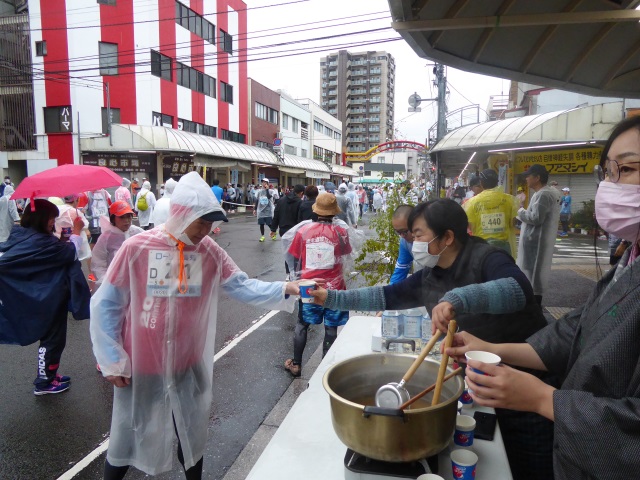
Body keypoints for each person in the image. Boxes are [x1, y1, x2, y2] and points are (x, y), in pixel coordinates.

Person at [442, 115, 640, 480]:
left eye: (626, 169)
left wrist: (541, 398)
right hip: (576, 456)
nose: (611, 187)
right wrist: (494, 348)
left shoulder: (488, 253)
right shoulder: (629, 258)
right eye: (608, 173)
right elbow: (575, 329)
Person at [309, 199, 553, 480]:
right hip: (484, 387)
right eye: (410, 235)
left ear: (447, 237)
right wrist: (330, 297)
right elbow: (385, 296)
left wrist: (456, 299)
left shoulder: (488, 258)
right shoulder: (430, 276)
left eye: (418, 234)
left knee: (531, 469)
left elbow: (518, 289)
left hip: (528, 389)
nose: (413, 242)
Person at [90, 171, 303, 479]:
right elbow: (107, 304)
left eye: (211, 223)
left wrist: (287, 288)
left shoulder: (208, 252)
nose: (207, 230)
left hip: (187, 362)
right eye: (201, 221)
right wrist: (111, 359)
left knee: (191, 435)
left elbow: (242, 285)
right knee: (127, 432)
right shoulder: (137, 248)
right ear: (181, 214)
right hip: (143, 364)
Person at [0, 199, 90, 395]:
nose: (53, 222)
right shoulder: (41, 241)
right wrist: (75, 231)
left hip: (41, 296)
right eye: (51, 218)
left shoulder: (24, 236)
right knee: (53, 340)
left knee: (52, 339)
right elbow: (69, 253)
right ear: (41, 218)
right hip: (49, 298)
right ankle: (45, 382)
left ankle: (50, 374)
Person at [282, 193, 358, 377]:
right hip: (335, 288)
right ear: (334, 213)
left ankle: (297, 364)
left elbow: (295, 257)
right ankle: (325, 367)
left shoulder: (303, 231)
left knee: (302, 324)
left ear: (316, 211)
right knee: (331, 328)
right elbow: (346, 254)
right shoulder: (341, 232)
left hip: (310, 287)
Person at [515, 164, 561, 305]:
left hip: (537, 243)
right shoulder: (542, 193)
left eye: (529, 176)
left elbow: (536, 218)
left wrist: (519, 210)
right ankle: (532, 309)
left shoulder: (543, 194)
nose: (526, 179)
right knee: (531, 276)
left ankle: (534, 312)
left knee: (534, 277)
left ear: (537, 177)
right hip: (535, 242)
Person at [463, 169, 519, 257]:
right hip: (503, 247)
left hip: (482, 247)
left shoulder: (471, 203)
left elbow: (470, 226)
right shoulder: (509, 200)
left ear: (481, 183)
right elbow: (513, 223)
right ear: (497, 182)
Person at [91, 201, 144, 284]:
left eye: (129, 216)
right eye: (122, 217)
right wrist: (107, 282)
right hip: (115, 283)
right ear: (113, 218)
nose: (126, 220)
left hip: (137, 281)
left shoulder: (138, 232)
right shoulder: (106, 238)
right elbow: (98, 263)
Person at [389, 205, 416, 284]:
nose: (402, 236)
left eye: (404, 231)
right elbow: (401, 270)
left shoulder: (432, 240)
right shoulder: (405, 242)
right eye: (398, 232)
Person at [254, 178, 275, 242]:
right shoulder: (259, 191)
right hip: (261, 210)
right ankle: (262, 236)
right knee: (261, 224)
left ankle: (273, 232)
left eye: (265, 182)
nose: (264, 183)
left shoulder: (271, 191)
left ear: (268, 184)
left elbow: (269, 197)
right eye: (263, 182)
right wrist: (255, 209)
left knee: (269, 224)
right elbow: (257, 200)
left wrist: (267, 189)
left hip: (268, 210)